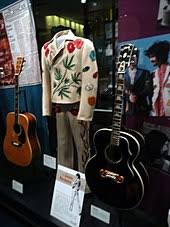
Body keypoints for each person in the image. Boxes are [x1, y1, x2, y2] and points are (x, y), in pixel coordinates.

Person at [41, 26, 98, 172]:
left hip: (78, 105)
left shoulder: (84, 44)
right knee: (62, 145)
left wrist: (86, 110)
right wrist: (47, 107)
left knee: (82, 146)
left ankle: (86, 183)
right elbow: (46, 79)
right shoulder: (46, 48)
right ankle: (64, 182)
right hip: (58, 105)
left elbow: (90, 78)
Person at [145, 40, 170, 116]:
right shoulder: (153, 74)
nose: (151, 60)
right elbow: (151, 94)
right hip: (157, 113)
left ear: (160, 55)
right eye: (149, 57)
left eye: (152, 56)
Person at [124, 49, 153, 116]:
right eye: (130, 57)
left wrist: (137, 96)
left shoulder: (145, 73)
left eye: (135, 57)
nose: (132, 60)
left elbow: (148, 89)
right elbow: (121, 90)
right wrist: (128, 95)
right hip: (128, 109)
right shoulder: (122, 74)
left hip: (142, 108)